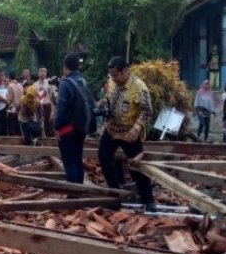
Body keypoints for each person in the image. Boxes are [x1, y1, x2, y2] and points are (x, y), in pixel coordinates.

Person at [98, 56, 156, 212]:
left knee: (136, 165)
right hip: (112, 130)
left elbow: (147, 111)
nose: (114, 78)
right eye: (112, 75)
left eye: (116, 75)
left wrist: (136, 127)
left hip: (129, 133)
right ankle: (115, 192)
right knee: (103, 157)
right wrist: (101, 107)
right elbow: (107, 100)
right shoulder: (112, 84)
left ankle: (148, 200)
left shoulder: (139, 87)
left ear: (125, 71)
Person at [54, 53, 94, 184]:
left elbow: (61, 107)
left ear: (65, 67)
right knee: (77, 160)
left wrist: (57, 127)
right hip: (81, 127)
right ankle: (80, 191)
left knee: (69, 162)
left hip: (67, 129)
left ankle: (74, 194)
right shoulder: (83, 81)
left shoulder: (65, 84)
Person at [35, 66, 56, 137]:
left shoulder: (50, 83)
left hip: (48, 107)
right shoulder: (35, 85)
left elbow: (53, 99)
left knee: (50, 129)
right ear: (38, 73)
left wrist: (52, 112)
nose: (43, 73)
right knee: (39, 129)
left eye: (44, 71)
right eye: (41, 71)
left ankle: (51, 146)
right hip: (38, 108)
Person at [6, 71, 23, 136]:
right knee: (19, 128)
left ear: (9, 77)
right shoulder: (20, 85)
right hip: (20, 109)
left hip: (12, 109)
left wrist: (6, 103)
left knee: (12, 130)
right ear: (16, 77)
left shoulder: (10, 86)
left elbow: (10, 99)